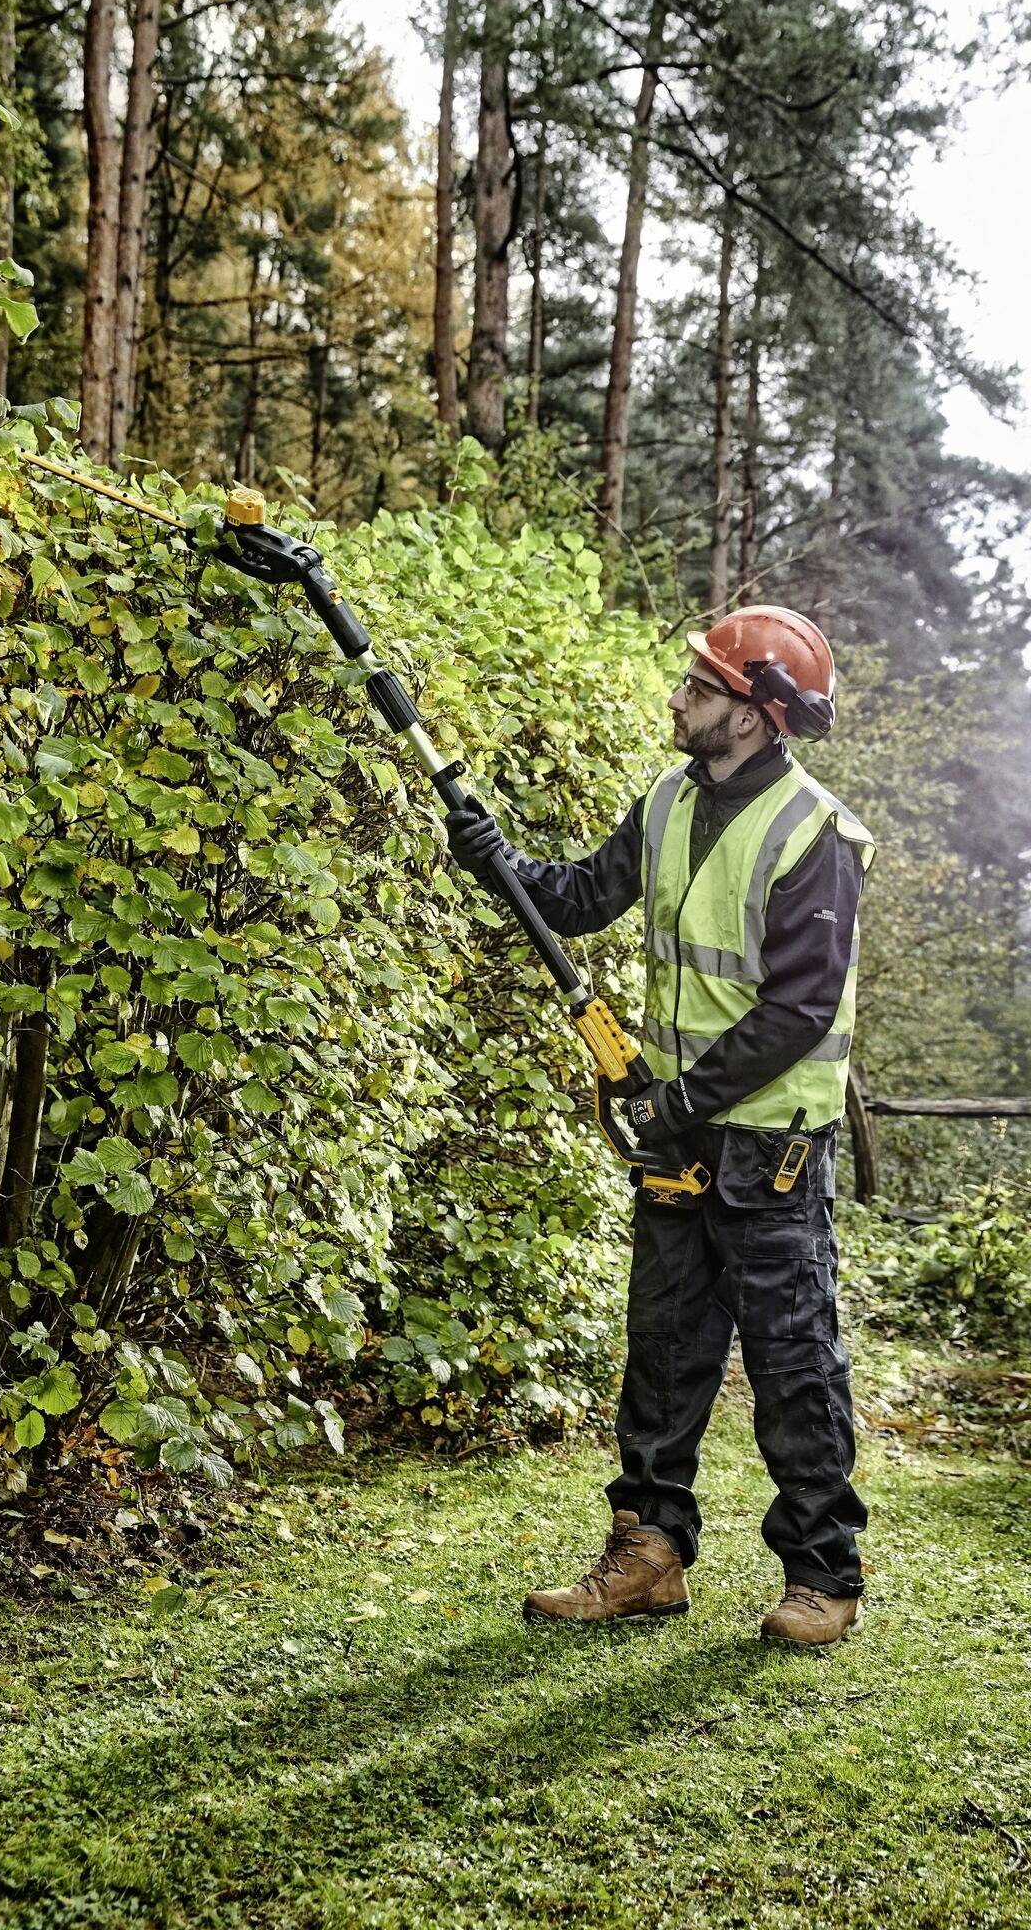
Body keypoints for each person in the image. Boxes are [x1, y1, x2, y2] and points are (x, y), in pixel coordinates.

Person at [443, 605, 877, 1647]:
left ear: (755, 714)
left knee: (790, 1362)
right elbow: (581, 896)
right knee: (665, 1351)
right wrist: (493, 857)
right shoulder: (669, 801)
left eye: (700, 684)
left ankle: (822, 1574)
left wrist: (671, 1103)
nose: (678, 696)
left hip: (769, 1148)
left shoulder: (814, 834)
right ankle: (647, 1555)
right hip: (675, 1142)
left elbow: (795, 1010)